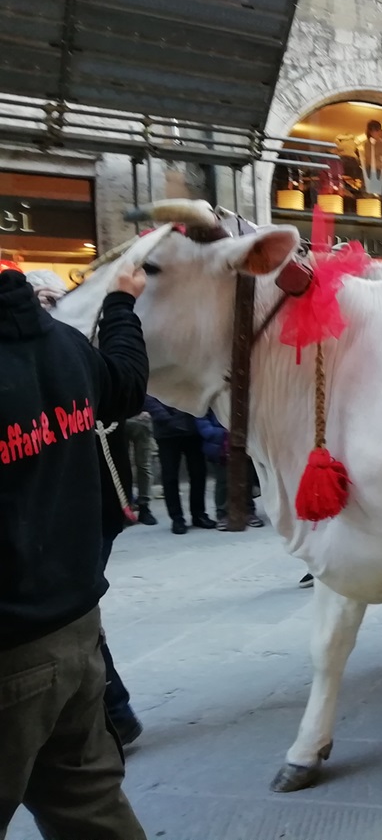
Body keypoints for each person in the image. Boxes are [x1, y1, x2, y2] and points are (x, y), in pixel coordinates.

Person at [0, 264, 148, 838]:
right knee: (89, 810)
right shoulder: (58, 342)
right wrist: (119, 306)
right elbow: (126, 382)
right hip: (75, 631)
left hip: (12, 648)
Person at [25, 271, 146, 748]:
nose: (53, 307)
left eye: (57, 298)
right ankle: (111, 712)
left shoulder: (72, 351)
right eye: (45, 299)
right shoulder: (66, 349)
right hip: (66, 511)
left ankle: (109, 711)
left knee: (74, 614)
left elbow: (126, 381)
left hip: (83, 510)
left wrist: (118, 305)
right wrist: (119, 304)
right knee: (77, 611)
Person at [144, 396, 215, 534]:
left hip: (192, 428)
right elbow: (149, 396)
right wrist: (166, 418)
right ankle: (177, 519)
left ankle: (199, 514)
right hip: (166, 432)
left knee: (198, 473)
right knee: (170, 477)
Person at [195, 410, 264, 530]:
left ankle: (248, 511)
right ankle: (223, 513)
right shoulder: (212, 398)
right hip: (219, 445)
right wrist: (222, 434)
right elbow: (202, 422)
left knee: (247, 478)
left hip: (244, 441)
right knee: (223, 481)